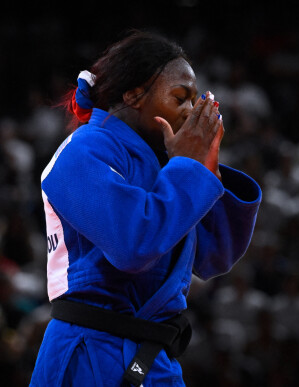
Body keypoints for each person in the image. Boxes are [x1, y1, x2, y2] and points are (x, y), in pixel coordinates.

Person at [30, 30, 262, 387]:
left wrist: (205, 168)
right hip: (91, 351)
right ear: (134, 95)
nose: (190, 111)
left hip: (154, 360)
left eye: (194, 100)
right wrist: (187, 170)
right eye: (180, 98)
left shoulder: (165, 166)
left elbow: (215, 256)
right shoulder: (82, 152)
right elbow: (133, 244)